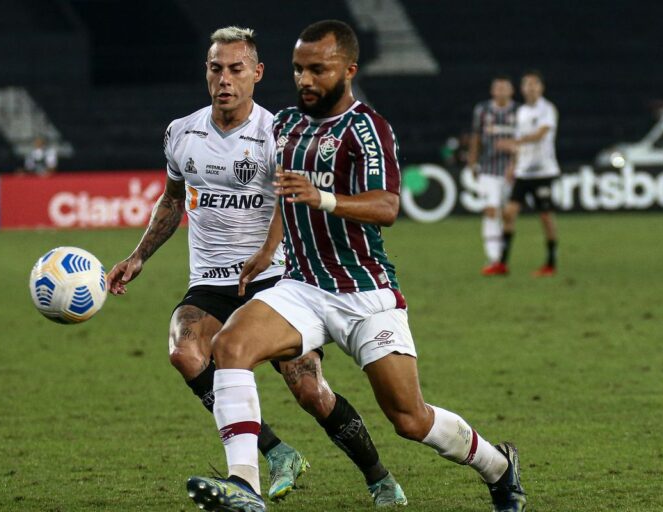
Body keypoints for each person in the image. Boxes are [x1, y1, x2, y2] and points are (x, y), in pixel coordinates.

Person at [185, 21, 526, 512]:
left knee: (410, 419)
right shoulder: (286, 125)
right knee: (230, 347)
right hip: (301, 286)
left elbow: (387, 206)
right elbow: (286, 192)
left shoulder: (368, 129)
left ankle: (498, 465)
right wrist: (269, 247)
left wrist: (321, 197)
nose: (305, 79)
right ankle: (246, 486)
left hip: (364, 293)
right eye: (299, 69)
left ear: (348, 70)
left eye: (317, 70)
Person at [107, 26, 406, 507]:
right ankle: (275, 453)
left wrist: (268, 252)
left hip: (274, 280)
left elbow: (290, 203)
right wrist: (138, 255)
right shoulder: (181, 133)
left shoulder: (277, 132)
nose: (224, 79)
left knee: (310, 391)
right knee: (185, 352)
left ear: (257, 74)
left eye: (236, 69)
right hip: (210, 280)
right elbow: (172, 200)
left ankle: (378, 476)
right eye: (215, 68)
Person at [496, 71, 559, 277]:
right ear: (522, 89)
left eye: (534, 84)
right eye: (527, 84)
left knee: (545, 216)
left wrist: (515, 143)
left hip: (543, 171)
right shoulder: (521, 111)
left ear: (541, 87)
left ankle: (550, 262)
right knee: (509, 213)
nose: (531, 88)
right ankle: (502, 263)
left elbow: (541, 134)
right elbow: (520, 143)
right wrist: (512, 166)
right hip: (523, 172)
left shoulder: (547, 109)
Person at [470, 76, 519, 276]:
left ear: (511, 91)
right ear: (492, 91)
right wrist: (472, 161)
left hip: (512, 171)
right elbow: (476, 137)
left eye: (504, 88)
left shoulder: (519, 112)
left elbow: (525, 141)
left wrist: (515, 160)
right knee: (491, 211)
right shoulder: (482, 111)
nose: (500, 91)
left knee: (508, 214)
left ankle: (503, 257)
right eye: (497, 87)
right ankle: (493, 258)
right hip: (488, 169)